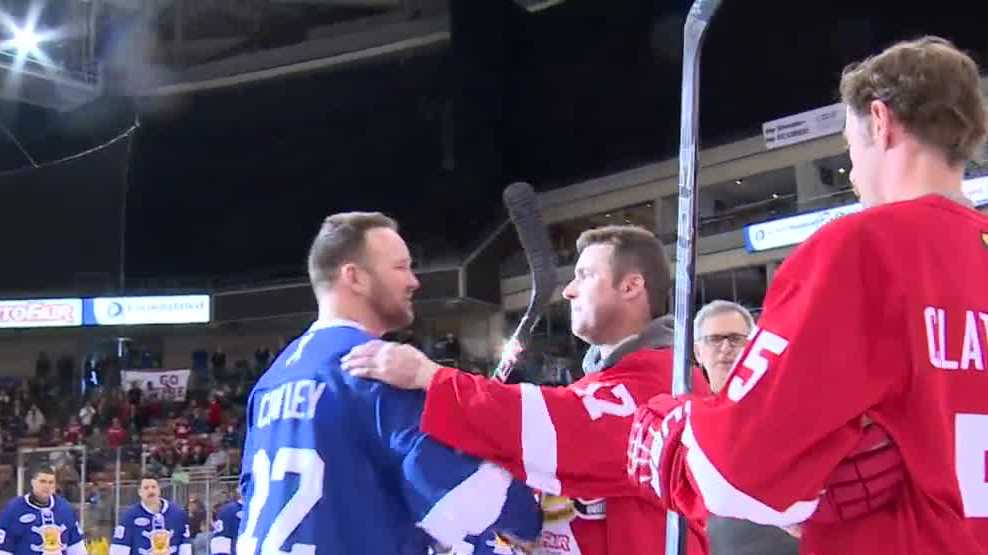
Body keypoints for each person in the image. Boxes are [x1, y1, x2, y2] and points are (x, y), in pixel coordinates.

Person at [627, 36, 988, 555]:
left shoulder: (861, 247)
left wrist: (676, 428)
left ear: (880, 122)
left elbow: (738, 469)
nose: (854, 171)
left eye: (849, 145)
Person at [344, 224, 714, 554]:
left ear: (631, 286)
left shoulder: (666, 380)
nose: (569, 291)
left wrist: (430, 378)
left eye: (584, 275)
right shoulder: (602, 382)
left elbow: (567, 429)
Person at [236, 212, 540, 555]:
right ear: (354, 277)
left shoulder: (269, 381)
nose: (414, 281)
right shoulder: (375, 366)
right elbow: (463, 489)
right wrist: (529, 518)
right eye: (400, 267)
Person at [693, 301, 799, 555]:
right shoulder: (688, 427)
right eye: (714, 339)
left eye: (736, 339)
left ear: (753, 347)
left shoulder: (789, 410)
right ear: (698, 352)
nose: (726, 348)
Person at [0, 466, 86, 555]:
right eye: (42, 481)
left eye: (51, 482)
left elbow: (76, 545)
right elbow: (3, 548)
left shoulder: (65, 508)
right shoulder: (14, 509)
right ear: (33, 482)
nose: (47, 486)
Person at [111, 475, 192, 555]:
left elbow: (185, 545)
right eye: (146, 488)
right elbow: (119, 547)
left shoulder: (178, 513)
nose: (151, 491)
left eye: (154, 487)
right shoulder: (130, 516)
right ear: (140, 492)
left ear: (159, 490)